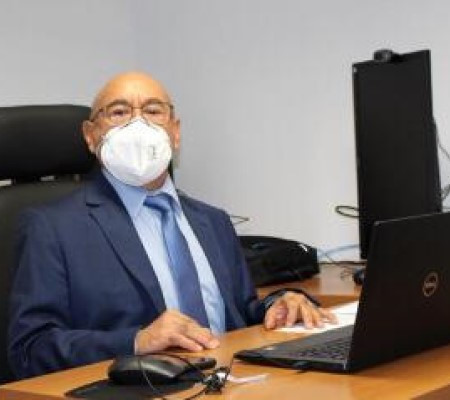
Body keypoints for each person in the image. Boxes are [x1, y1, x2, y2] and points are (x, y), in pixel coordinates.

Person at [8, 72, 336, 379]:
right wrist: (136, 341)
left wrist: (279, 304)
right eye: (119, 112)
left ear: (175, 132)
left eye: (153, 111)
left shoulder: (213, 221)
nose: (138, 124)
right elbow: (29, 349)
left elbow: (239, 312)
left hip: (230, 383)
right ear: (91, 136)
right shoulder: (52, 228)